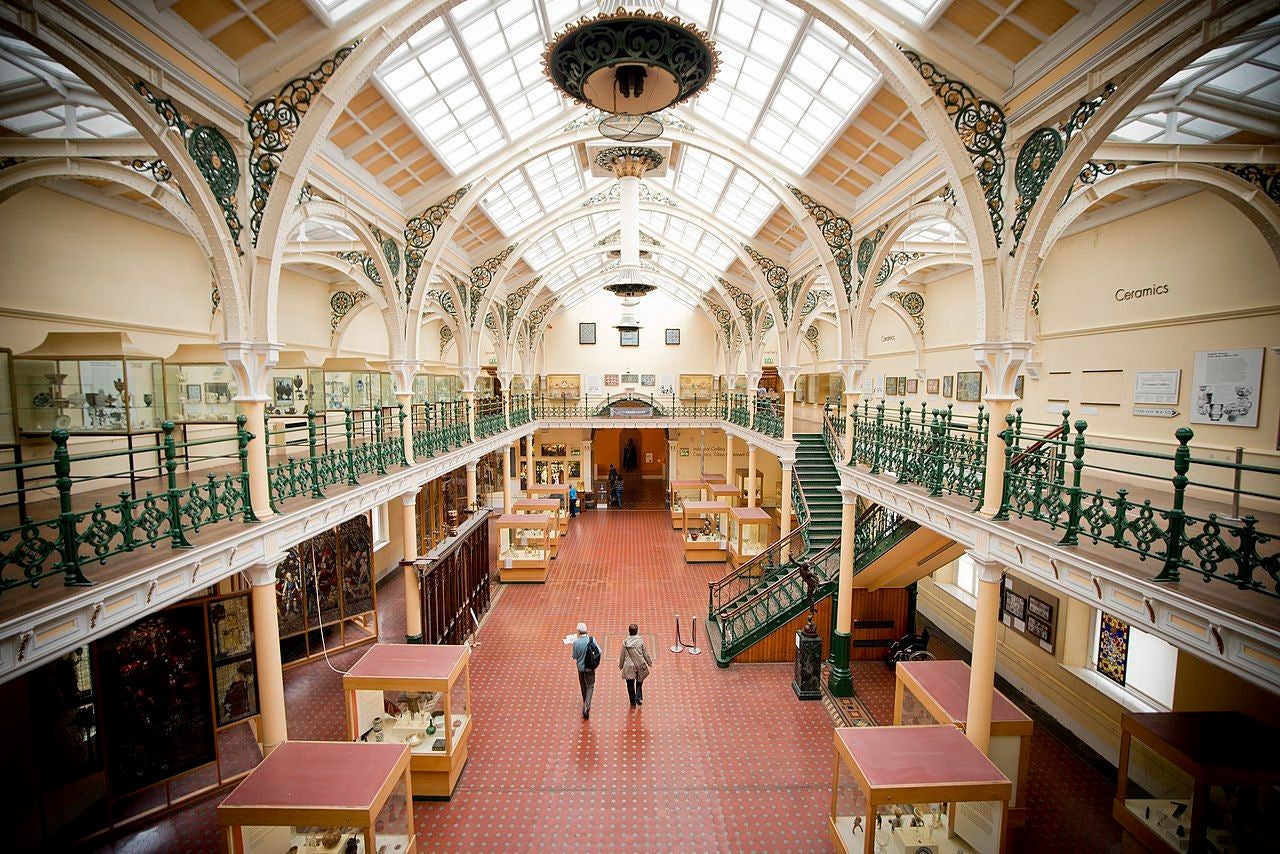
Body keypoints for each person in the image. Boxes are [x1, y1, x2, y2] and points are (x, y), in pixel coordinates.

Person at [618, 623, 653, 708]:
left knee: (630, 684)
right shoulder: (641, 641)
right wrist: (649, 662)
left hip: (628, 666)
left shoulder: (625, 642)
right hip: (639, 665)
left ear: (629, 631)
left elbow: (622, 655)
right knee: (639, 681)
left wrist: (621, 665)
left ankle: (632, 701)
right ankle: (639, 697)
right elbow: (645, 653)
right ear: (637, 631)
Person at [570, 622, 596, 719]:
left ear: (579, 632)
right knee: (590, 685)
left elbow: (574, 656)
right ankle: (586, 706)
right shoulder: (592, 640)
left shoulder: (576, 642)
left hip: (580, 668)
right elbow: (599, 651)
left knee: (583, 684)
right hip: (590, 667)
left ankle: (585, 699)